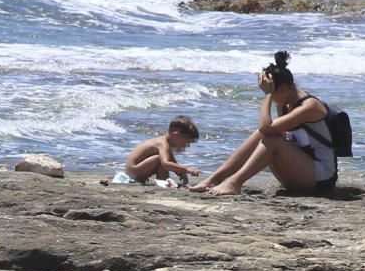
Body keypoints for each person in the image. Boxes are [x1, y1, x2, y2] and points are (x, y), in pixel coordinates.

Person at [189, 51, 337, 196]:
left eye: (273, 93)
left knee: (270, 138)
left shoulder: (309, 106)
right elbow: (279, 132)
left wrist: (267, 94)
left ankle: (234, 183)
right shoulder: (287, 103)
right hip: (300, 175)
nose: (271, 99)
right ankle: (215, 179)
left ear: (283, 89)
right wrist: (276, 102)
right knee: (264, 134)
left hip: (321, 178)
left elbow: (266, 127)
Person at [124, 115, 201, 186]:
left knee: (164, 160)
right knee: (161, 160)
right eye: (186, 143)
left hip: (136, 171)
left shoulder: (166, 145)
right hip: (134, 171)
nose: (186, 146)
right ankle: (163, 181)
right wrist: (186, 169)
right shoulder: (162, 143)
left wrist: (182, 173)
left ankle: (163, 180)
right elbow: (166, 164)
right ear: (177, 135)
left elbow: (173, 163)